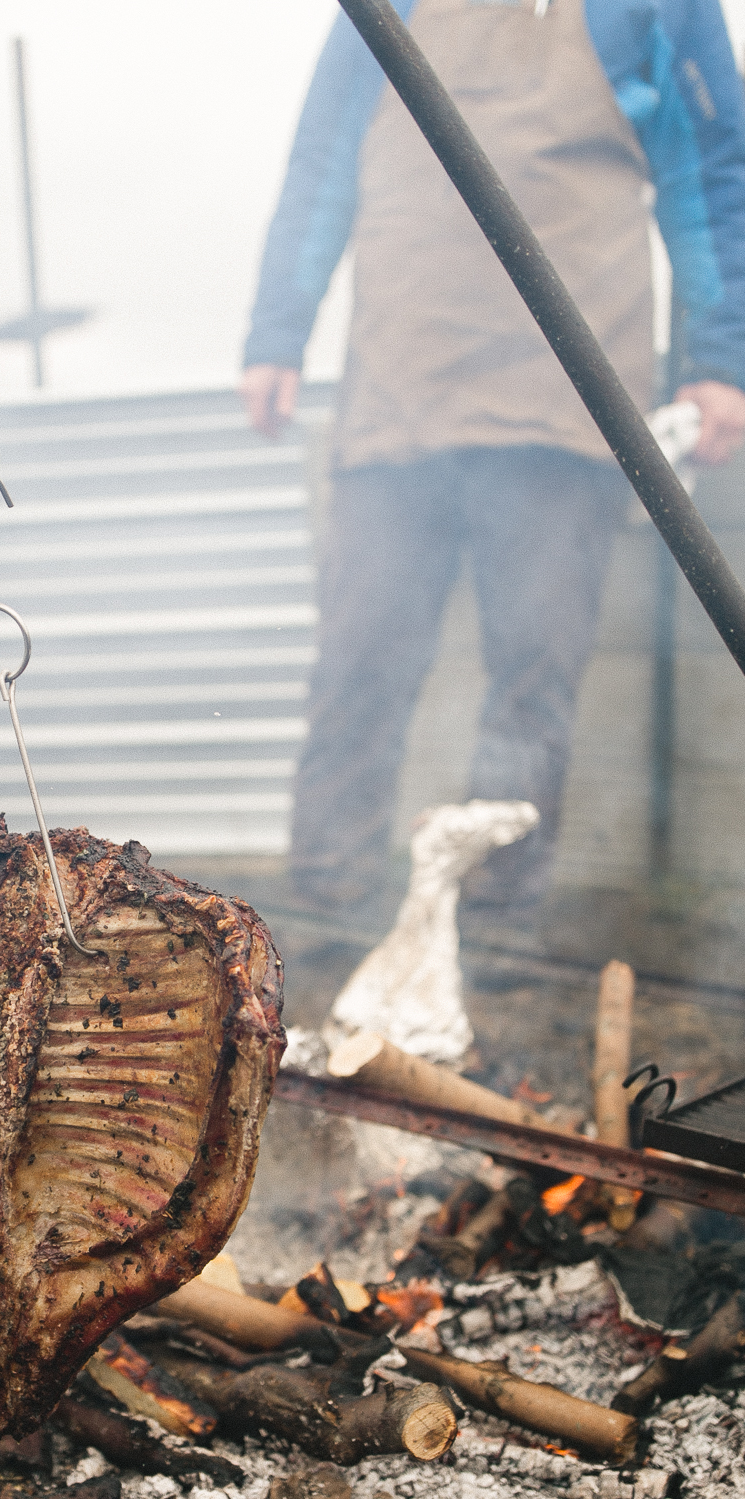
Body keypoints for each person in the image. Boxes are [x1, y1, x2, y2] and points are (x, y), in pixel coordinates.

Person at [242, 0, 745, 938]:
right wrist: (279, 329)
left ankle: (500, 930)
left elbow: (714, 171)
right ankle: (323, 915)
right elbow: (323, 162)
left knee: (533, 682)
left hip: (571, 391)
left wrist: (720, 359)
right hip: (403, 380)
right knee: (360, 660)